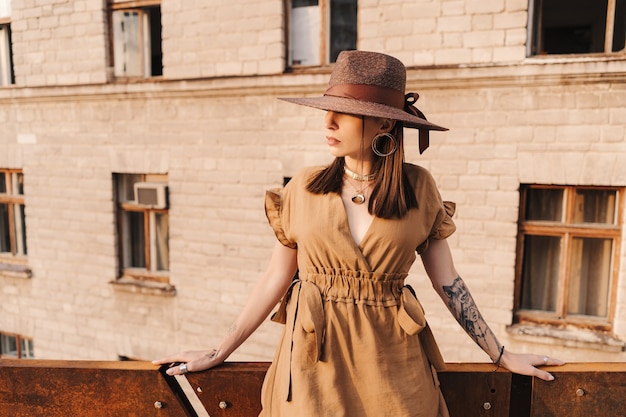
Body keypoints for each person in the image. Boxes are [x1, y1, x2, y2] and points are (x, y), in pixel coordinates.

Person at [153, 50, 564, 416]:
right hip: (314, 365)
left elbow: (448, 283)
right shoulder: (303, 186)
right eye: (327, 110)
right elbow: (274, 279)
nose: (328, 122)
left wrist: (501, 353)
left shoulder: (419, 188)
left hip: (394, 368)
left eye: (344, 111)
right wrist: (218, 351)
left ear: (385, 120)